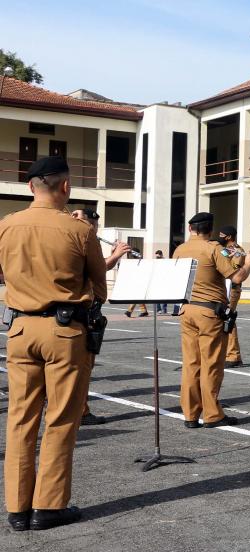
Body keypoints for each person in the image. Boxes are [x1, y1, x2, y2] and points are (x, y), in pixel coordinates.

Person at [1, 156, 107, 531]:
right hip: (64, 332)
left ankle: (17, 508)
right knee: (60, 419)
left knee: (20, 420)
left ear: (30, 186)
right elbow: (100, 288)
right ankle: (48, 506)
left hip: (18, 330)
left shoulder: (6, 226)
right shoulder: (78, 230)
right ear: (66, 187)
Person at [173, 212, 250, 429]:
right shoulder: (213, 249)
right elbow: (236, 277)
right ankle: (212, 414)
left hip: (186, 309)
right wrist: (248, 264)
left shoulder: (179, 249)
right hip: (209, 312)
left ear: (191, 228)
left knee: (191, 364)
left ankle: (190, 414)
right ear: (209, 230)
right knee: (210, 364)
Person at [70, 208, 130, 427]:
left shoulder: (83, 238)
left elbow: (101, 268)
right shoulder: (80, 238)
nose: (93, 229)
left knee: (82, 366)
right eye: (91, 224)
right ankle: (81, 412)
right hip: (84, 311)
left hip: (89, 310)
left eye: (94, 225)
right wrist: (115, 254)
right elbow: (94, 269)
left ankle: (78, 409)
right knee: (83, 366)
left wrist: (113, 256)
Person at [217, 226, 246, 368]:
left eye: (221, 234)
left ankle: (233, 355)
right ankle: (228, 354)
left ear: (228, 236)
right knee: (222, 320)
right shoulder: (224, 249)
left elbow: (235, 270)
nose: (219, 236)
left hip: (232, 289)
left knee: (228, 319)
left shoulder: (237, 250)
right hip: (223, 287)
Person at [124, 250, 149, 318]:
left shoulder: (140, 262)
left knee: (136, 296)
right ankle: (144, 311)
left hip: (139, 282)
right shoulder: (135, 262)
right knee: (137, 297)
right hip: (136, 281)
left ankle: (129, 311)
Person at [154, 250, 170, 315]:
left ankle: (164, 309)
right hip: (157, 280)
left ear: (161, 255)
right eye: (156, 257)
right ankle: (159, 310)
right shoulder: (155, 262)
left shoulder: (165, 261)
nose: (157, 258)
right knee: (156, 296)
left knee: (164, 296)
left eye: (158, 257)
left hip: (164, 280)